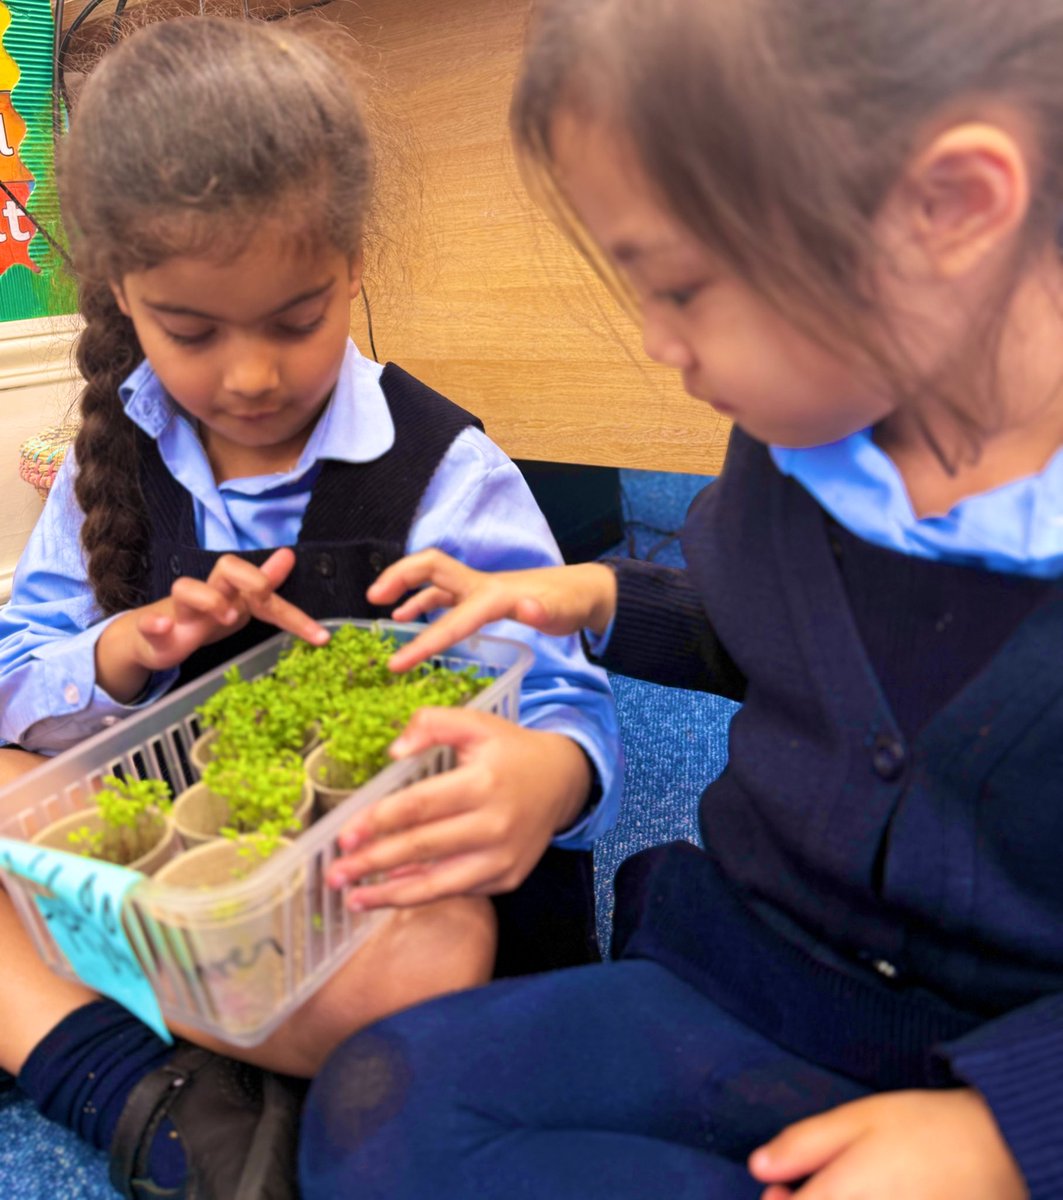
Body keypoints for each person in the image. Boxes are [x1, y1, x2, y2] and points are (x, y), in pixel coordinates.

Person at [299, 0, 1063, 1196]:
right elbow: (755, 625)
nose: (657, 344)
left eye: (685, 287)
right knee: (382, 1103)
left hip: (1014, 1047)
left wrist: (1005, 1137)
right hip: (755, 973)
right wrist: (596, 594)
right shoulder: (797, 437)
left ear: (952, 209)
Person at [0, 13, 620, 1200]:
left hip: (371, 901)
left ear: (355, 269)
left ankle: (96, 1044)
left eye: (297, 319)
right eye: (189, 329)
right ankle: (184, 1089)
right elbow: (24, 675)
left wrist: (546, 778)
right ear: (125, 293)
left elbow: (556, 702)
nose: (249, 376)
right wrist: (129, 647)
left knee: (428, 973)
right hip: (193, 866)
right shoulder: (111, 457)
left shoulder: (447, 469)